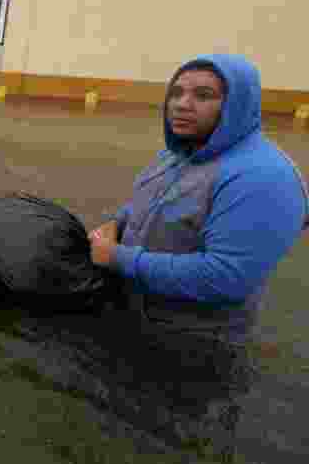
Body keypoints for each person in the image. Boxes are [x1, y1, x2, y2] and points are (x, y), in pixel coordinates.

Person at [88, 54, 309, 343]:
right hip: (138, 318)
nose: (182, 104)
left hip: (194, 343)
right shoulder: (179, 153)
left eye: (203, 95)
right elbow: (158, 202)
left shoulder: (263, 176)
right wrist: (116, 223)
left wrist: (118, 258)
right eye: (176, 93)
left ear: (237, 104)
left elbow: (226, 277)